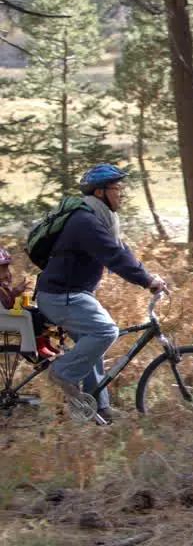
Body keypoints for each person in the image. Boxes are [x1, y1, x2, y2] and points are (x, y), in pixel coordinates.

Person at [34, 164, 168, 423]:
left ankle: (99, 409)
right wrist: (147, 281)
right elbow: (114, 256)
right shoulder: (85, 222)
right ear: (99, 192)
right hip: (61, 296)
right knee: (105, 332)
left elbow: (121, 250)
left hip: (72, 294)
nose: (121, 194)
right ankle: (62, 372)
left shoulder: (100, 218)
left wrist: (150, 276)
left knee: (91, 345)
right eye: (116, 188)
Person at [0, 246, 27, 310]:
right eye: (4, 268)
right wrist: (16, 292)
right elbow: (7, 305)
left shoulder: (2, 286)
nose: (8, 271)